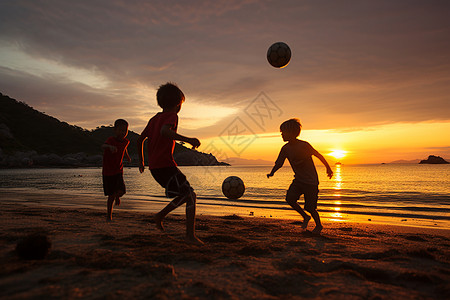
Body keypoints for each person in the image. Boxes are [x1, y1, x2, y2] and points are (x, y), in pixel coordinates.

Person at [137, 82, 203, 244]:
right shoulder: (172, 116)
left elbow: (140, 140)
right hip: (165, 165)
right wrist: (188, 140)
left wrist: (142, 161)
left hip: (155, 168)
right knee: (190, 196)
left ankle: (160, 216)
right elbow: (165, 131)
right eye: (181, 103)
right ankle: (189, 235)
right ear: (178, 104)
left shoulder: (154, 118)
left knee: (185, 195)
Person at [267, 118, 333, 234]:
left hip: (311, 182)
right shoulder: (285, 149)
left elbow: (318, 155)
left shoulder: (304, 145)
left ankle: (319, 225)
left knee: (310, 207)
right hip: (298, 180)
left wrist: (328, 168)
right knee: (290, 199)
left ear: (292, 133)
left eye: (283, 132)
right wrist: (272, 172)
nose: (281, 134)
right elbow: (279, 163)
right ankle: (305, 217)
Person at [102, 119, 131, 221]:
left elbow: (124, 148)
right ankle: (109, 215)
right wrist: (110, 147)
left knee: (122, 191)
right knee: (110, 196)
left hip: (118, 170)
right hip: (108, 171)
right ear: (115, 130)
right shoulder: (111, 140)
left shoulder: (126, 141)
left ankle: (117, 196)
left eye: (125, 131)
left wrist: (127, 156)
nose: (123, 133)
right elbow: (103, 146)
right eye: (121, 130)